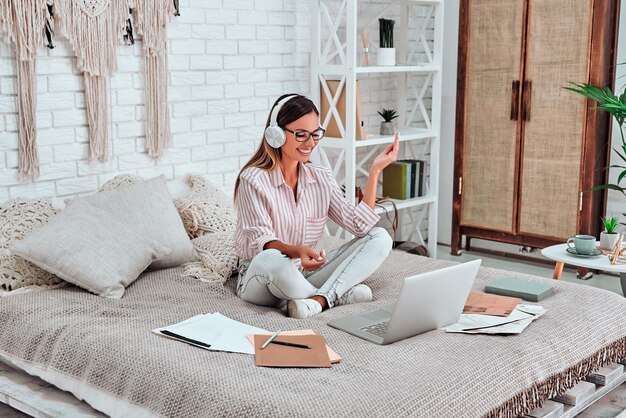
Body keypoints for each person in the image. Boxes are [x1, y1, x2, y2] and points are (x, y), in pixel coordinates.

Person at [233, 94, 399, 319]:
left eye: (315, 134)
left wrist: (375, 171)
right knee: (271, 258)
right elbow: (262, 240)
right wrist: (297, 251)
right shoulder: (253, 179)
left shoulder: (320, 176)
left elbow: (359, 226)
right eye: (301, 135)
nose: (310, 143)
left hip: (302, 275)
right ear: (276, 134)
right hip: (261, 276)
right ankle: (336, 295)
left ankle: (318, 301)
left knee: (380, 237)